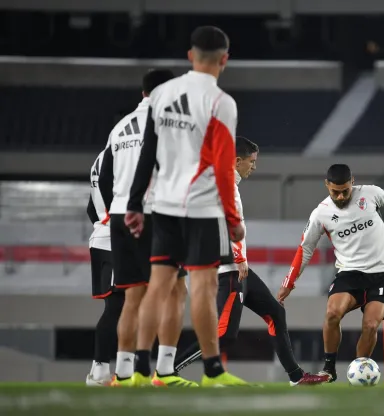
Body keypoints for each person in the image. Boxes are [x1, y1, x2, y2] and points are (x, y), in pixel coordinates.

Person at [124, 26, 247, 387]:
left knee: (158, 285)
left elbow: (148, 151)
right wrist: (233, 218)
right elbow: (225, 167)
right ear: (224, 59)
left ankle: (140, 369)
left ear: (190, 56)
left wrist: (134, 203)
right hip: (202, 210)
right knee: (203, 288)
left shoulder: (161, 94)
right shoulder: (221, 102)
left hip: (163, 207)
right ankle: (211, 371)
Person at [172, 137, 330, 386]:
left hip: (237, 268)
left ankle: (296, 376)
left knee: (275, 312)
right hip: (229, 269)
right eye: (251, 161)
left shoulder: (225, 183)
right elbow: (224, 223)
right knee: (224, 334)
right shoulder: (224, 185)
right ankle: (169, 371)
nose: (254, 167)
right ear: (236, 161)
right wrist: (239, 257)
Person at [278, 164, 384, 382]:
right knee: (332, 314)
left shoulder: (371, 194)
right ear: (327, 186)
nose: (340, 196)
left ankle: (360, 372)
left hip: (381, 274)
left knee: (370, 325)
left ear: (353, 182)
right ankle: (329, 369)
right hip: (349, 273)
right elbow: (306, 248)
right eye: (335, 192)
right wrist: (289, 282)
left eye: (345, 191)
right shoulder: (321, 213)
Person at [98, 69, 195, 387]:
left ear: (143, 92)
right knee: (175, 290)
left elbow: (106, 180)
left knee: (132, 297)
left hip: (119, 216)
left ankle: (123, 374)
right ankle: (164, 372)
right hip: (156, 214)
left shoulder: (119, 127)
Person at [85, 149, 123, 386]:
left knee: (121, 306)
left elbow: (92, 209)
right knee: (118, 307)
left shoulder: (99, 158)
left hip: (104, 237)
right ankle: (102, 371)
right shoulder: (123, 152)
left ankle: (110, 370)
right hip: (116, 239)